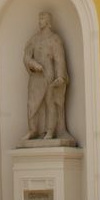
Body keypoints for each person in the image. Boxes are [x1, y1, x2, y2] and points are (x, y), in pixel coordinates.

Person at [23, 10, 74, 144]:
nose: (40, 21)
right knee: (32, 103)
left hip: (49, 74)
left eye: (42, 19)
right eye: (39, 19)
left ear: (48, 22)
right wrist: (33, 64)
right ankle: (32, 129)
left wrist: (61, 76)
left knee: (50, 102)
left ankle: (50, 130)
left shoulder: (54, 39)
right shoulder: (33, 39)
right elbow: (27, 57)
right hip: (36, 76)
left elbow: (59, 59)